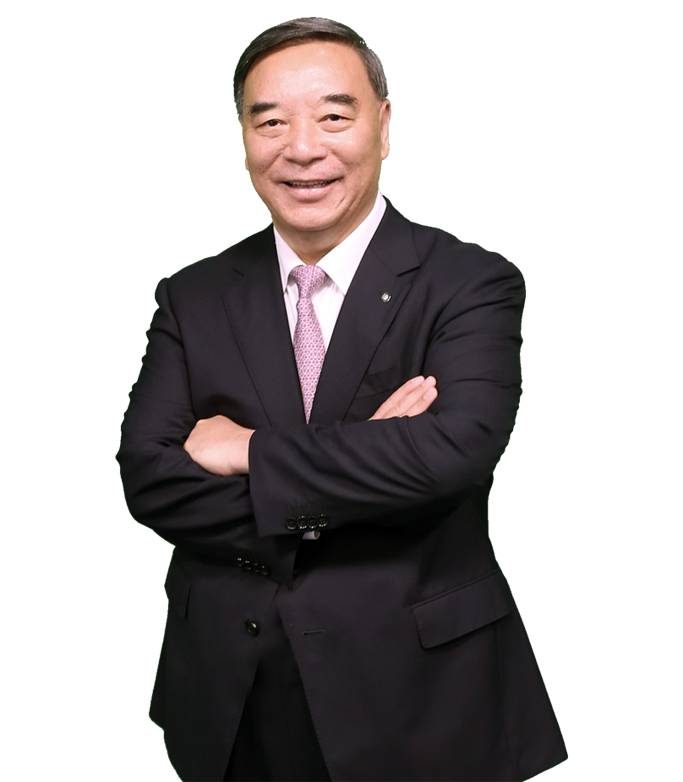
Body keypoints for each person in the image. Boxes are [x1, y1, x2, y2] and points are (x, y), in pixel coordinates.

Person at [118, 18, 567, 782]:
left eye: (332, 116)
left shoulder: (468, 282)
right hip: (232, 694)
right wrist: (370, 460)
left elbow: (451, 454)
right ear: (244, 137)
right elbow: (150, 478)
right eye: (270, 122)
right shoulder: (193, 295)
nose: (301, 148)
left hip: (423, 694)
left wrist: (247, 451)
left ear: (382, 127)